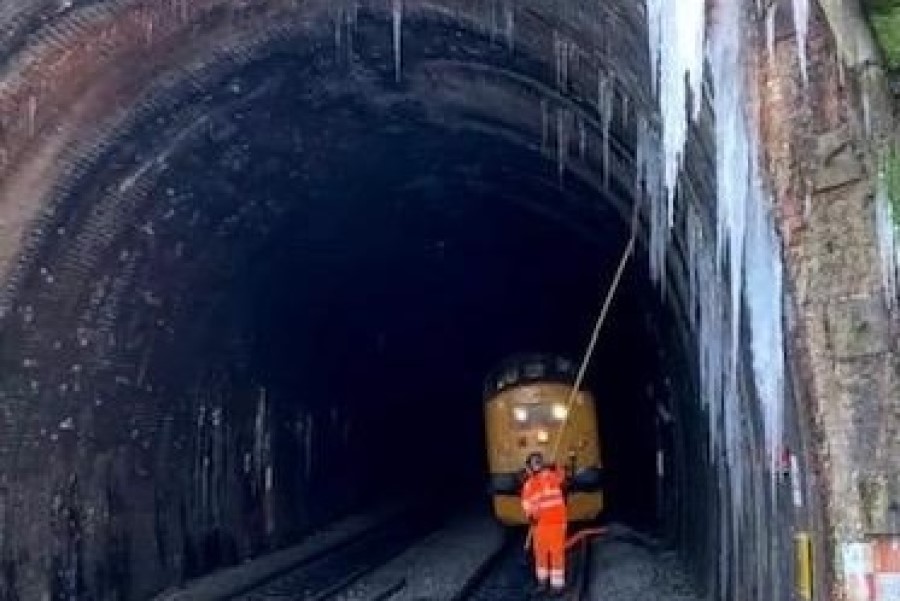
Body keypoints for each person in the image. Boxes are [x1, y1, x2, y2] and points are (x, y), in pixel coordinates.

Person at [521, 451, 568, 595]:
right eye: (534, 462)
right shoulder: (528, 485)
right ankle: (542, 583)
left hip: (556, 523)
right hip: (540, 525)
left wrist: (557, 466)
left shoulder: (551, 476)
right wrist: (530, 515)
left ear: (542, 463)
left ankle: (557, 586)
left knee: (556, 554)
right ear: (529, 466)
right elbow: (526, 503)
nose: (537, 464)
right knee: (540, 554)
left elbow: (562, 476)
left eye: (538, 461)